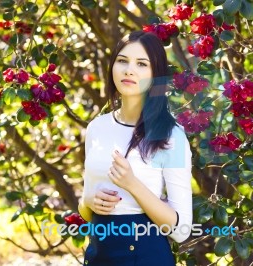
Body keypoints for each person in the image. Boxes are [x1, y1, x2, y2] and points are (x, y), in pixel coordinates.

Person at [78, 31, 193, 266]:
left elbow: (181, 230)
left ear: (155, 75)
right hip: (99, 256)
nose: (129, 70)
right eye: (122, 61)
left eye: (141, 64)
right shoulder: (96, 128)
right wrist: (88, 201)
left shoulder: (171, 135)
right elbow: (86, 209)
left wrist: (132, 184)